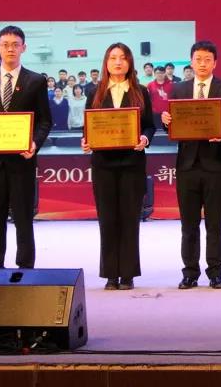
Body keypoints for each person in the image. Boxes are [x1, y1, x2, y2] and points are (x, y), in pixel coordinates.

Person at [0, 26, 52, 269]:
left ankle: (25, 266)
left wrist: (35, 143)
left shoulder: (36, 81)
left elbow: (45, 120)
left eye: (15, 44)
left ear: (23, 48)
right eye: (5, 44)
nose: (10, 49)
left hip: (22, 160)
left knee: (23, 216)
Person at [162, 41, 221, 289]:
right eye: (198, 59)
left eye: (208, 60)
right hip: (187, 165)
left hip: (215, 163)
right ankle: (190, 272)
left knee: (215, 223)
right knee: (189, 224)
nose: (203, 64)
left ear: (215, 63)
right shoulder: (179, 89)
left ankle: (216, 272)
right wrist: (166, 120)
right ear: (191, 62)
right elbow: (172, 124)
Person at [81, 43, 155, 290]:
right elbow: (89, 125)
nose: (118, 62)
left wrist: (144, 138)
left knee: (130, 218)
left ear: (130, 62)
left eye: (123, 58)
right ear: (106, 62)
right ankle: (111, 274)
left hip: (132, 164)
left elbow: (149, 125)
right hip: (103, 164)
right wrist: (86, 140)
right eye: (113, 58)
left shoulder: (140, 91)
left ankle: (128, 274)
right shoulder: (95, 92)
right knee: (107, 219)